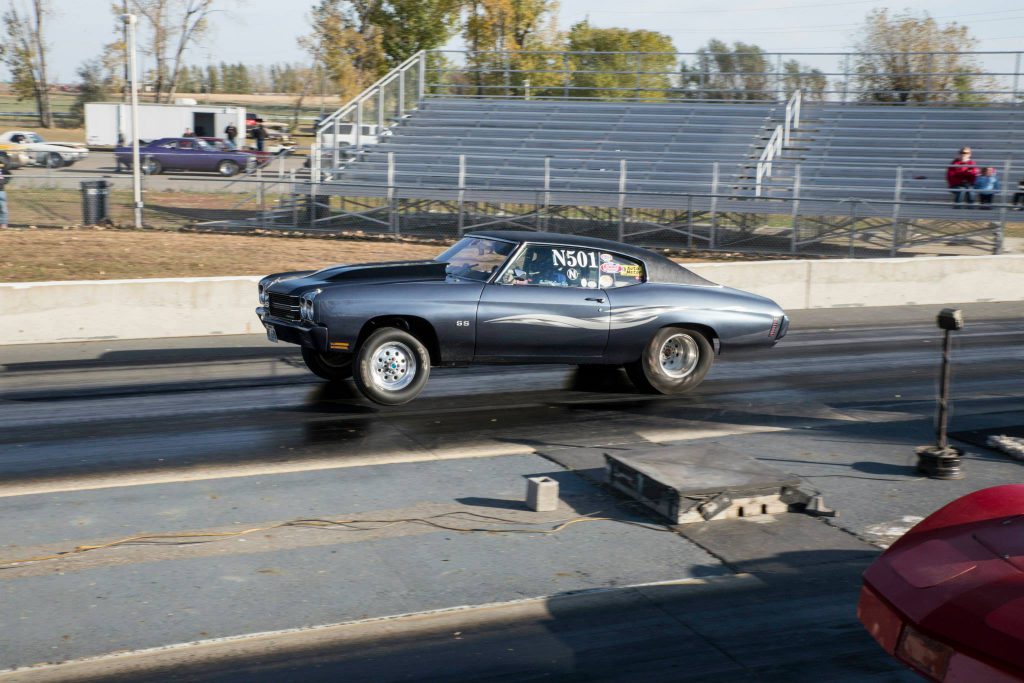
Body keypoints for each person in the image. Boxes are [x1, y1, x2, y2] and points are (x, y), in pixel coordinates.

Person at [0, 159, 11, 228]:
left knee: (3, 208)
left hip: (1, 190)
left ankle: (3, 224)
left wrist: (3, 182)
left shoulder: (2, 165)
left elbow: (9, 175)